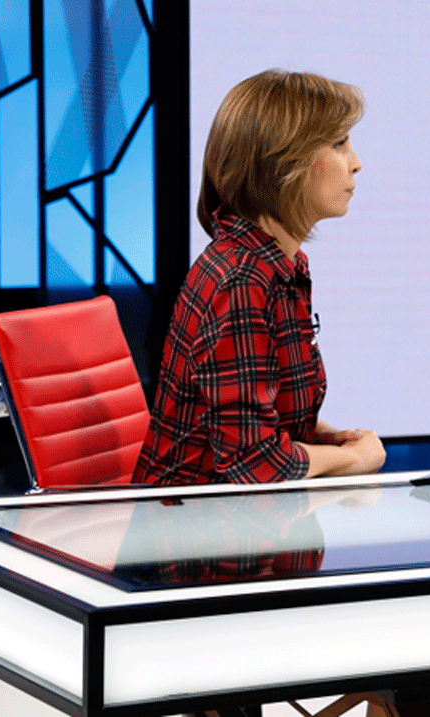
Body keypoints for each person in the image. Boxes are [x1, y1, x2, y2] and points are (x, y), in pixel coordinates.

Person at [134, 69, 386, 488]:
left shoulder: (279, 265)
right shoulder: (240, 281)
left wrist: (328, 439)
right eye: (339, 143)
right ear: (284, 163)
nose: (356, 163)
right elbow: (253, 462)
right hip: (190, 523)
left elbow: (256, 413)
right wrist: (352, 459)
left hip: (244, 516)